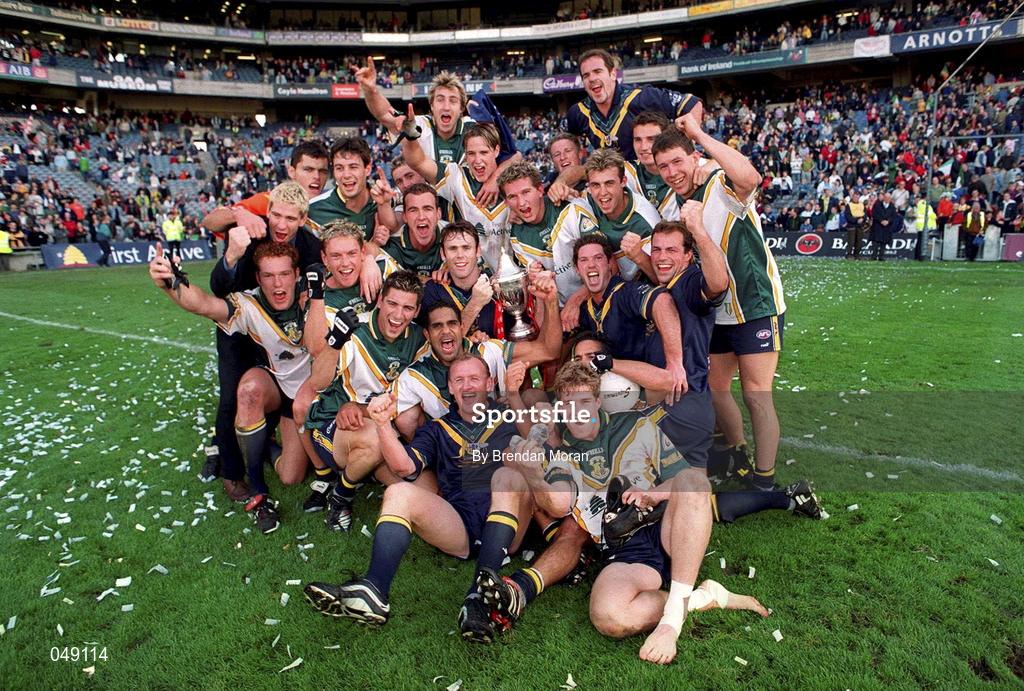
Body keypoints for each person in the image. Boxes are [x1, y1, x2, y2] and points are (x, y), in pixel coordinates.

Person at [475, 362, 820, 661]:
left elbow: (687, 480)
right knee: (608, 616)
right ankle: (704, 595)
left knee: (693, 484)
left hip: (670, 529)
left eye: (584, 401)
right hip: (626, 548)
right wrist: (535, 475)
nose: (577, 412)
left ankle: (670, 623)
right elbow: (558, 503)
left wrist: (652, 494)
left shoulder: (636, 426)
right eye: (568, 405)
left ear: (597, 401)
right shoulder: (563, 450)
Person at [303, 352, 539, 639]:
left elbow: (538, 443)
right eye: (459, 380)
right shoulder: (437, 427)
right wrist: (381, 424)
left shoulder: (508, 414)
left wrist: (514, 395)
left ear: (489, 383)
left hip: (510, 520)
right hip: (460, 524)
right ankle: (374, 589)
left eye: (474, 379)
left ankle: (477, 598)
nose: (467, 387)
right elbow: (404, 466)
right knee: (399, 492)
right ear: (450, 388)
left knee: (507, 477)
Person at [652, 114, 786, 491]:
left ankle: (765, 480)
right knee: (716, 387)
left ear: (694, 157)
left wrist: (698, 134)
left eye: (677, 161)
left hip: (755, 305)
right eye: (663, 166)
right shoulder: (677, 204)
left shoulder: (719, 182)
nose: (671, 171)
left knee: (756, 393)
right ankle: (739, 452)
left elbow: (751, 178)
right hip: (717, 312)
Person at [149, 241, 311, 535]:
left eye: (285, 274)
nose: (278, 284)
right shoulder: (248, 304)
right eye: (269, 276)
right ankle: (259, 494)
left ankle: (261, 448)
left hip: (316, 392)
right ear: (258, 278)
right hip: (283, 391)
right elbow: (204, 303)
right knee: (248, 390)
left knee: (292, 475)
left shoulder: (316, 296)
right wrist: (170, 283)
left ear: (297, 274)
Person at [208, 181, 322, 503]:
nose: (281, 224)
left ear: (303, 219)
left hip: (283, 333)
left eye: (290, 218)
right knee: (234, 394)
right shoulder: (253, 229)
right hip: (242, 327)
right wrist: (238, 216)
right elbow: (219, 287)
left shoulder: (311, 248)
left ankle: (282, 444)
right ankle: (232, 473)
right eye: (276, 215)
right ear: (267, 211)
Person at [303, 271, 429, 533]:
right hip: (336, 424)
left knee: (422, 490)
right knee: (374, 439)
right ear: (380, 301)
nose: (398, 314)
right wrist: (335, 341)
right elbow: (318, 382)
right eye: (392, 304)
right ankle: (341, 496)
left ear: (417, 311)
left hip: (381, 424)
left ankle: (366, 471)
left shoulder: (418, 337)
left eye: (407, 307)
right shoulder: (356, 329)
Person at [394, 280, 561, 441]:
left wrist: (551, 301)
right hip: (453, 450)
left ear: (462, 327)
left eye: (452, 324)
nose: (446, 331)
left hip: (504, 437)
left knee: (534, 397)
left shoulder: (488, 350)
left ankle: (552, 460)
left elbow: (548, 351)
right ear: (427, 335)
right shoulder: (414, 377)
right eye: (437, 326)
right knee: (406, 417)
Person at [571, 234, 687, 400]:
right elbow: (552, 349)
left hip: (652, 388)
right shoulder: (584, 309)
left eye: (598, 258)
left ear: (610, 263)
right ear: (577, 269)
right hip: (614, 389)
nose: (591, 265)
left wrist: (675, 363)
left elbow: (663, 301)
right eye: (584, 260)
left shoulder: (626, 293)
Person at [401, 117, 509, 263]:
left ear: (496, 150)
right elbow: (417, 162)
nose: (477, 160)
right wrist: (410, 135)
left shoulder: (513, 180)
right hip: (472, 275)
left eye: (484, 152)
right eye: (471, 153)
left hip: (513, 275)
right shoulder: (456, 177)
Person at [564, 48, 701, 163]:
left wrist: (686, 153)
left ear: (612, 74)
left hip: (649, 178)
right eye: (586, 75)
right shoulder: (578, 112)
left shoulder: (640, 97)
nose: (592, 78)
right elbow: (568, 141)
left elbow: (692, 103)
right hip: (612, 184)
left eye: (598, 71)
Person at [498, 161, 599, 304]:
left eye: (526, 192)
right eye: (512, 197)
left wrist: (575, 303)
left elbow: (606, 264)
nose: (521, 203)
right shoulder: (516, 237)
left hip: (596, 296)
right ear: (506, 202)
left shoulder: (572, 209)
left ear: (540, 190)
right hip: (561, 308)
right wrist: (535, 277)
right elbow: (543, 291)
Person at [870, 190, 900, 261]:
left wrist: (888, 221)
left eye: (889, 198)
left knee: (884, 242)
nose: (887, 199)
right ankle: (873, 256)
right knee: (876, 242)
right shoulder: (877, 205)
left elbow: (894, 216)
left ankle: (881, 256)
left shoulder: (892, 207)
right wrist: (881, 220)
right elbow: (874, 214)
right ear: (883, 197)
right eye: (886, 197)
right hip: (877, 226)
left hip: (887, 227)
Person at [844, 191, 868, 259]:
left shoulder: (861, 205)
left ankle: (857, 254)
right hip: (852, 225)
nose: (856, 198)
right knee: (851, 241)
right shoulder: (849, 205)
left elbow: (865, 213)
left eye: (857, 197)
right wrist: (856, 220)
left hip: (860, 225)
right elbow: (848, 215)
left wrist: (862, 219)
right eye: (855, 197)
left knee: (859, 241)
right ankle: (849, 254)